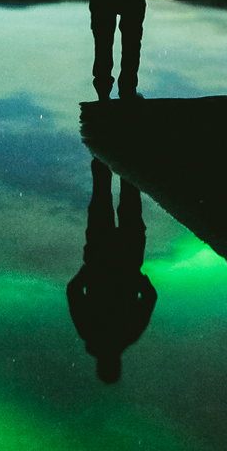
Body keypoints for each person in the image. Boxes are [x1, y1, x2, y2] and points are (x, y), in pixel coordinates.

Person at [66, 158, 157, 383]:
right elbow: (73, 291)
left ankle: (113, 154)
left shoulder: (126, 335)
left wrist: (135, 277)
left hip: (121, 258)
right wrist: (89, 270)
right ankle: (107, 154)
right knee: (103, 199)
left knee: (123, 202)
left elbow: (150, 297)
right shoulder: (92, 332)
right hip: (103, 257)